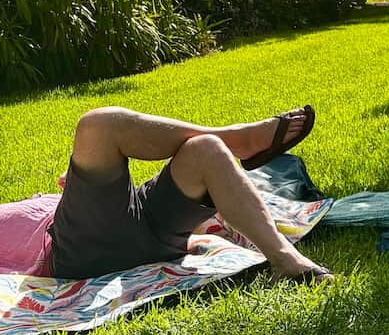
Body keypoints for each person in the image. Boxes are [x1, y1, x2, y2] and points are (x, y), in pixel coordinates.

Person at [0, 105, 331, 282]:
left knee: (205, 150)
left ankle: (285, 259)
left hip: (148, 230)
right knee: (98, 125)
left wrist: (73, 189)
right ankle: (239, 140)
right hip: (81, 251)